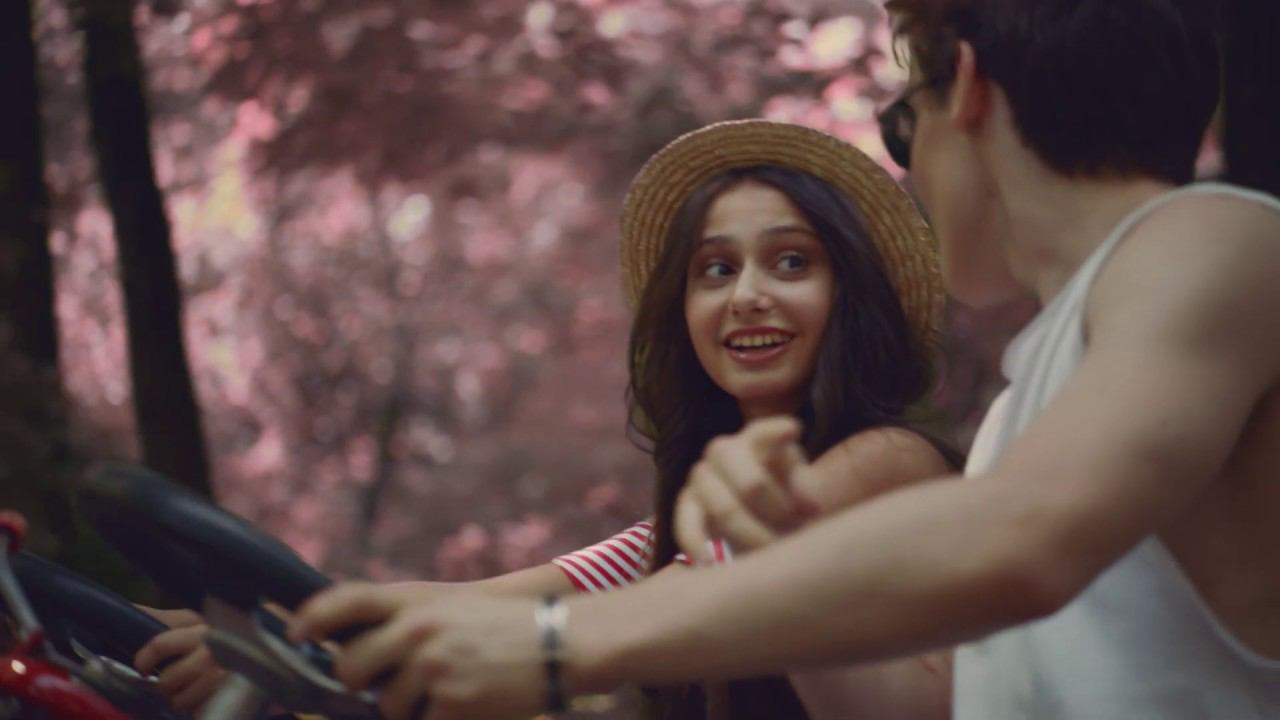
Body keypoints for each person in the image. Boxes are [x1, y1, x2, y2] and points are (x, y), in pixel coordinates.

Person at [287, 1, 1280, 719]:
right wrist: (778, 554)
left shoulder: (1213, 239)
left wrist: (556, 648)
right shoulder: (1035, 410)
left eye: (903, 124)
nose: (915, 170)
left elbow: (1026, 536)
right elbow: (926, 703)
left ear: (967, 90)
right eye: (712, 270)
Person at [143, 120, 963, 718]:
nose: (747, 294)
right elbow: (501, 599)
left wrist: (303, 648)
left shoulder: (885, 461)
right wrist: (258, 626)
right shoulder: (681, 534)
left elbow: (663, 604)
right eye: (715, 269)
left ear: (848, 296)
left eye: (791, 261)